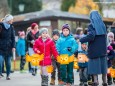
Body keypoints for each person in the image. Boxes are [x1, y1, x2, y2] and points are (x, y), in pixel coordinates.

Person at [80, 10, 107, 86]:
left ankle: (95, 81)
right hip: (103, 50)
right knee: (103, 66)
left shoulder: (91, 25)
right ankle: (104, 82)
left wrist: (82, 40)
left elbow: (91, 36)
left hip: (94, 50)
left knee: (94, 66)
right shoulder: (103, 25)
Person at [0, 14, 15, 80]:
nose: (12, 21)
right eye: (11, 19)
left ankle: (8, 75)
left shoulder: (11, 27)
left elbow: (13, 37)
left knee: (8, 63)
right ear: (8, 20)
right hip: (1, 47)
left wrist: (13, 46)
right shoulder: (1, 26)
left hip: (9, 47)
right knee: (0, 61)